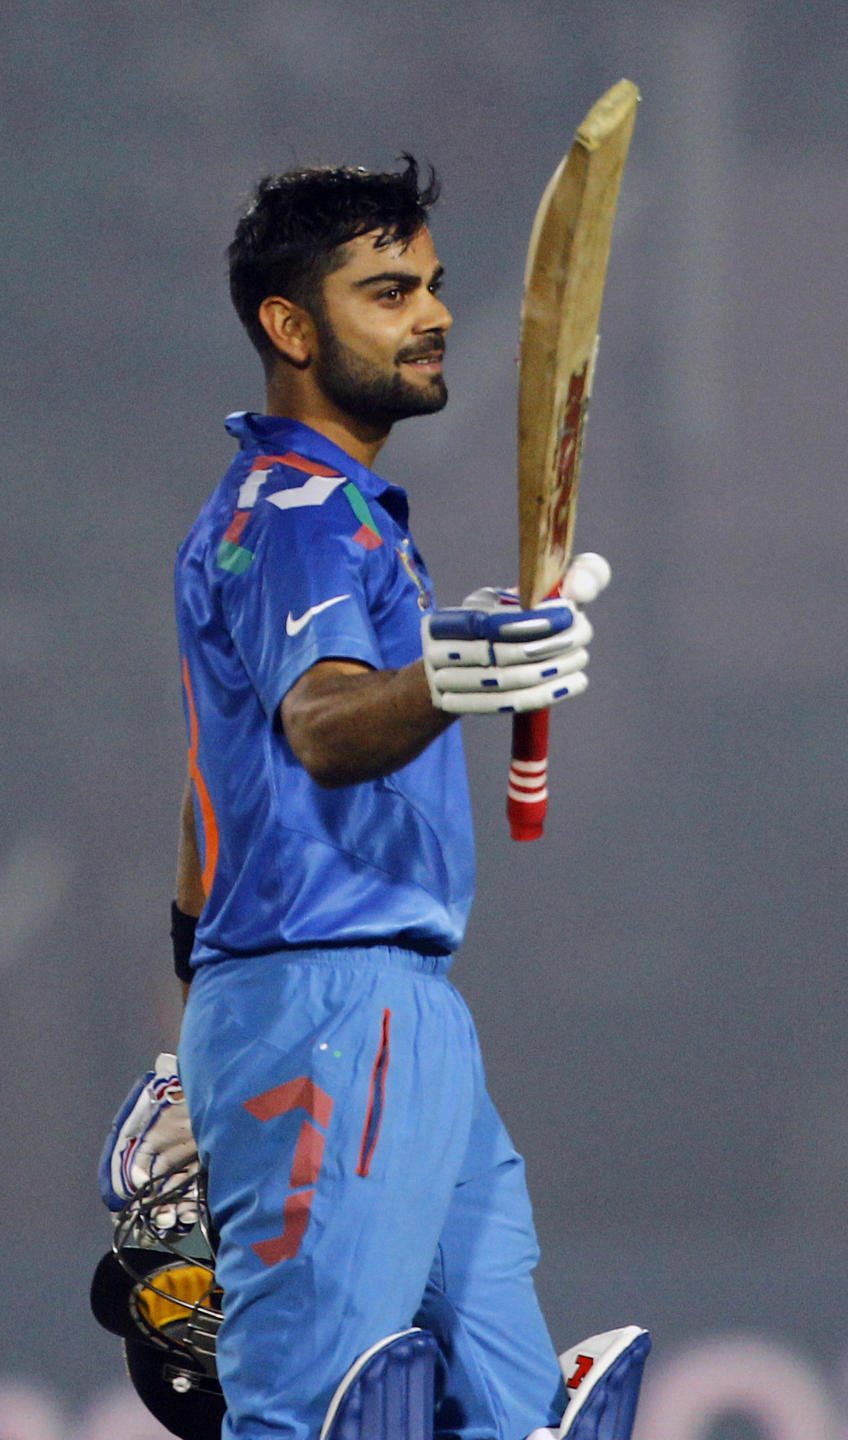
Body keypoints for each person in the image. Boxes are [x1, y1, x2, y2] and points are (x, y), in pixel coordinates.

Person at [101, 158, 645, 1440]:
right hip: (326, 1014)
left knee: (505, 1414)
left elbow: (209, 807)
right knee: (309, 1414)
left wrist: (189, 1048)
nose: (433, 314)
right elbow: (326, 727)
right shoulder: (296, 512)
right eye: (388, 291)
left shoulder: (337, 516)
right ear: (289, 328)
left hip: (388, 1015)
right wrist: (458, 671)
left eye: (435, 286)